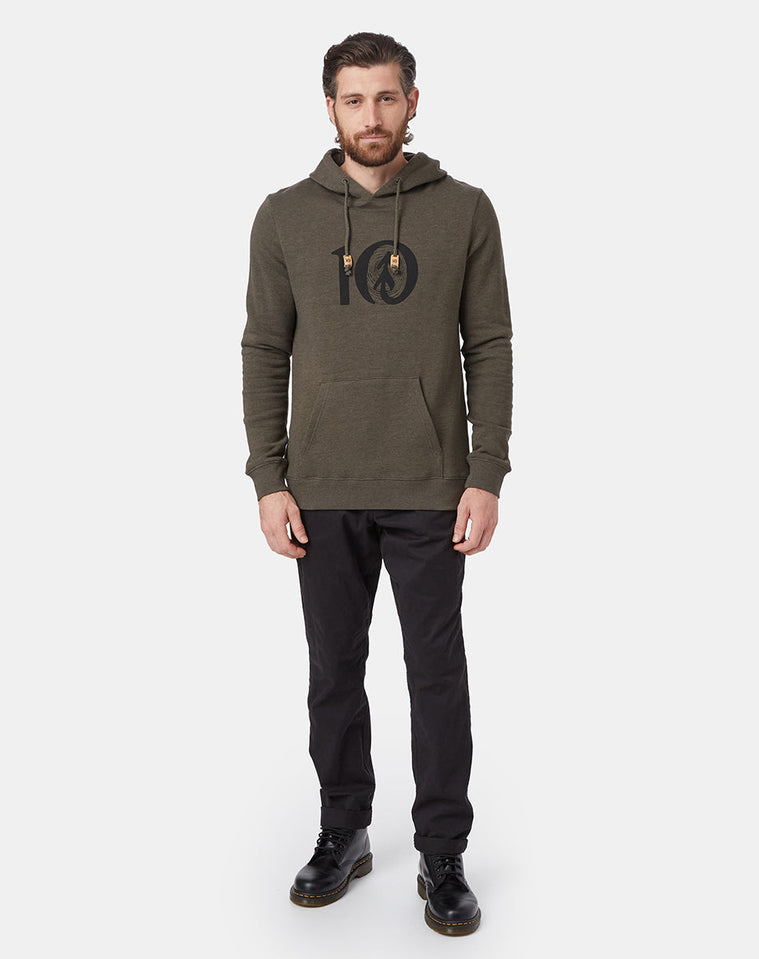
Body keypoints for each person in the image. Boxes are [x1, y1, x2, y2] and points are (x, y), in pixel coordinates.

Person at [240, 31, 513, 937]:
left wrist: (485, 471)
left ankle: (442, 850)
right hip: (319, 485)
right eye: (353, 99)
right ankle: (343, 829)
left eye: (386, 97)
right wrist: (268, 477)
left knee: (436, 674)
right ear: (329, 108)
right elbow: (264, 348)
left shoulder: (464, 210)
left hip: (432, 484)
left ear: (412, 102)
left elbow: (489, 345)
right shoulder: (283, 216)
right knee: (333, 671)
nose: (371, 115)